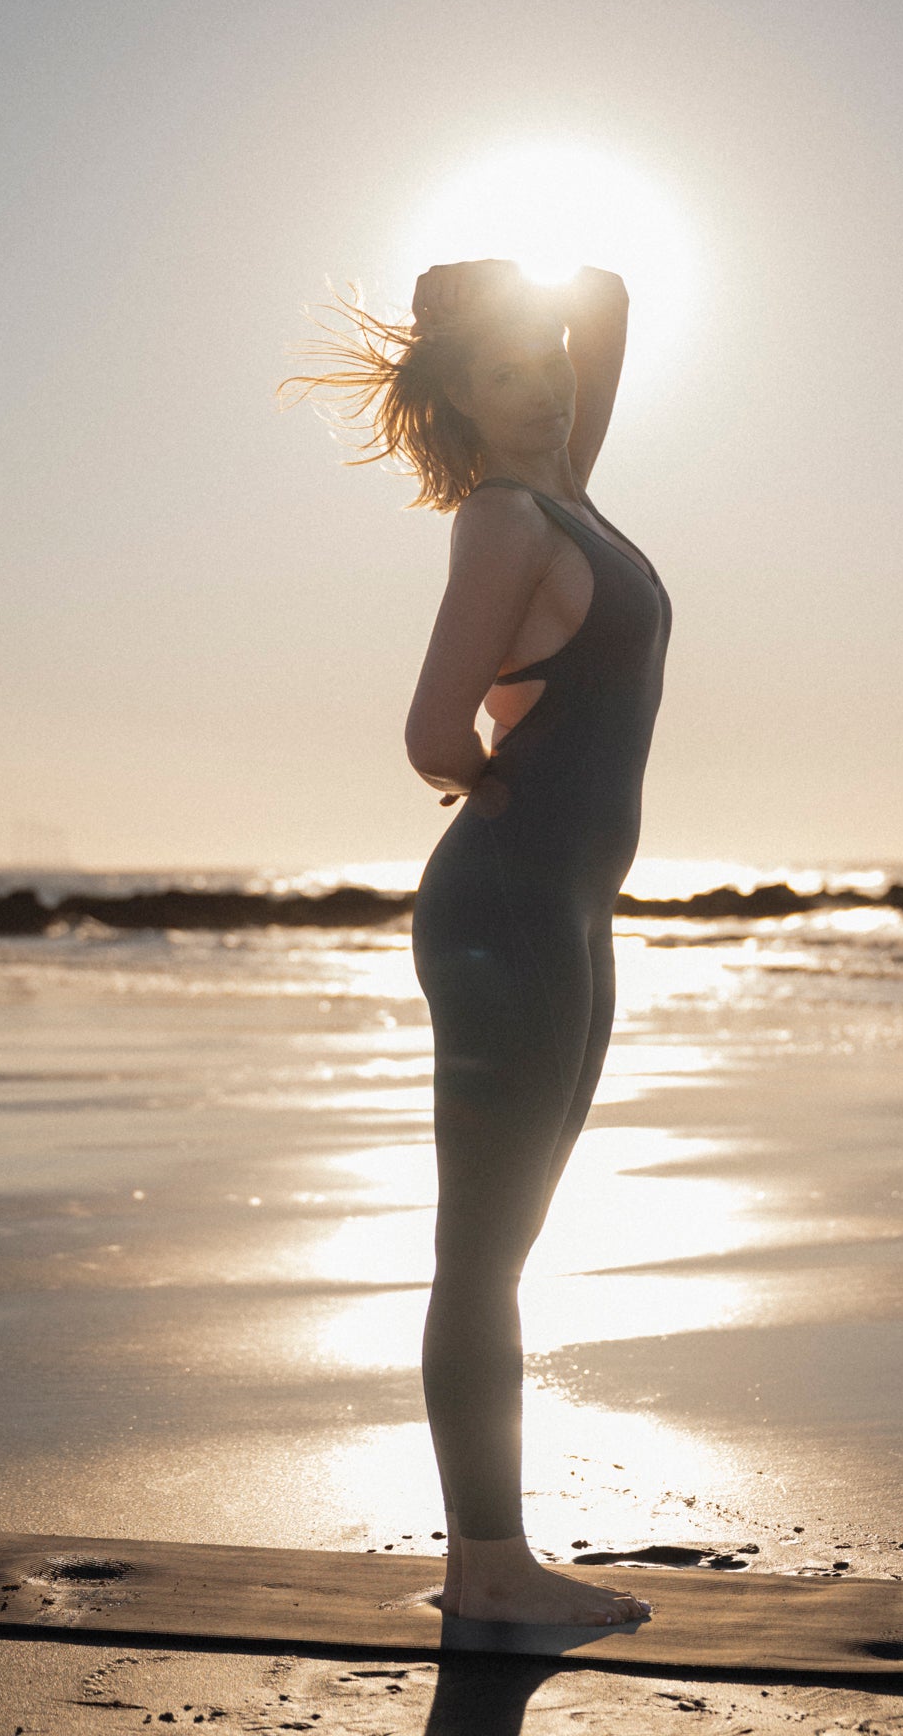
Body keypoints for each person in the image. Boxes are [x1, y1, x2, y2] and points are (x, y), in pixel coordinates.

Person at [283, 258, 672, 1625]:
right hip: (506, 911)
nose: (545, 382)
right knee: (483, 1250)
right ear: (459, 395)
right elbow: (428, 735)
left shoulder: (568, 491)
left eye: (544, 359)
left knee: (518, 1232)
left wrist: (511, 300)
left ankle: (495, 1556)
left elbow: (606, 306)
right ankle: (489, 1571)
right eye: (504, 372)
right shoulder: (505, 518)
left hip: (565, 909)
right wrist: (483, 783)